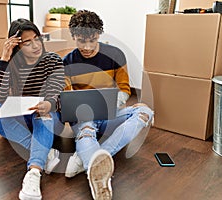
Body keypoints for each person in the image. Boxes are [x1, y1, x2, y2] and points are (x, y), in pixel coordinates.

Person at [62, 10, 154, 199]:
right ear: (73, 37)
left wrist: (117, 102)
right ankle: (98, 175)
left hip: (109, 114)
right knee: (86, 128)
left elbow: (124, 88)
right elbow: (67, 96)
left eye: (93, 40)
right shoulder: (66, 63)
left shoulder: (115, 55)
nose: (87, 47)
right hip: (83, 119)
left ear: (99, 36)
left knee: (145, 111)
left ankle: (84, 157)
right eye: (81, 41)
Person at [0, 18, 65, 200]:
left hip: (48, 115)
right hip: (22, 115)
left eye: (37, 38)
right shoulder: (9, 64)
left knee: (43, 114)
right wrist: (4, 59)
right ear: (17, 46)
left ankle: (34, 172)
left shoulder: (52, 60)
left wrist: (48, 104)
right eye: (28, 42)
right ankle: (46, 151)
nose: (36, 45)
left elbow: (57, 93)